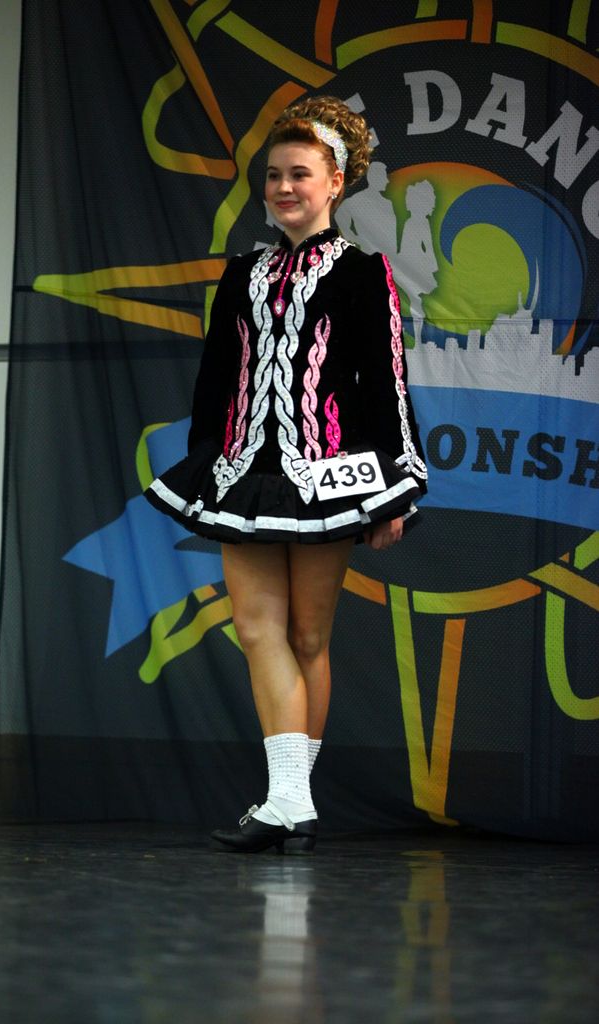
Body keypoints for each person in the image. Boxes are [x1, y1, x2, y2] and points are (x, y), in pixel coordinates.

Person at [145, 95, 427, 853]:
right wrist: (207, 464)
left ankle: (289, 800)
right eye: (273, 175)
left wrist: (397, 486)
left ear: (335, 182)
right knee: (255, 627)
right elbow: (215, 379)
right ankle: (287, 801)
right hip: (242, 470)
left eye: (299, 174)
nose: (283, 187)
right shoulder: (242, 271)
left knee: (306, 632)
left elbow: (387, 385)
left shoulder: (364, 273)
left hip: (326, 473)